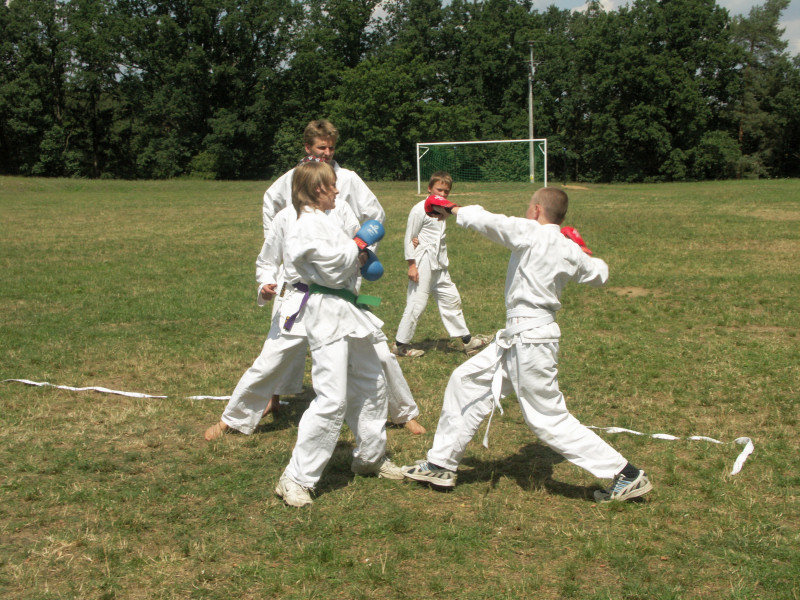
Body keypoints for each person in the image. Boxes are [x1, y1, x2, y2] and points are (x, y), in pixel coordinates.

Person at [402, 188, 653, 503]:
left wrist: (451, 208)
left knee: (547, 418)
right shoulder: (567, 248)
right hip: (522, 337)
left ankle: (626, 473)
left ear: (536, 210)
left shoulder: (531, 232)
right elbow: (599, 273)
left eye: (528, 207)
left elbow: (490, 222)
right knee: (464, 381)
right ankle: (441, 464)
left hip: (529, 340)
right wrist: (581, 249)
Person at [251, 119, 424, 434]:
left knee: (371, 345)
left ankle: (401, 411)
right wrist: (280, 251)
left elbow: (375, 215)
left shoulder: (348, 180)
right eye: (321, 147)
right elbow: (271, 208)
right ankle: (269, 398)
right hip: (298, 280)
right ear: (307, 147)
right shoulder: (292, 179)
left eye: (331, 147)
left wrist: (361, 254)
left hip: (340, 278)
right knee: (278, 346)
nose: (327, 153)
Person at [276, 161, 404, 507]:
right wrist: (358, 245)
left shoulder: (327, 221)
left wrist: (360, 255)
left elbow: (345, 262)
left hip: (348, 309)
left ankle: (370, 457)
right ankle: (295, 478)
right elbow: (333, 269)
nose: (336, 191)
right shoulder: (304, 226)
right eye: (332, 186)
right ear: (318, 190)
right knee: (332, 397)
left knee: (371, 381)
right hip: (326, 311)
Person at [392, 172, 488, 358]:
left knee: (451, 298)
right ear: (429, 189)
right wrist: (412, 264)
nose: (443, 194)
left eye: (446, 191)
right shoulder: (419, 209)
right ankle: (400, 345)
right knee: (417, 303)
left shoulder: (444, 208)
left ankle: (467, 341)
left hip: (440, 262)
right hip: (423, 261)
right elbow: (409, 237)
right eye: (439, 190)